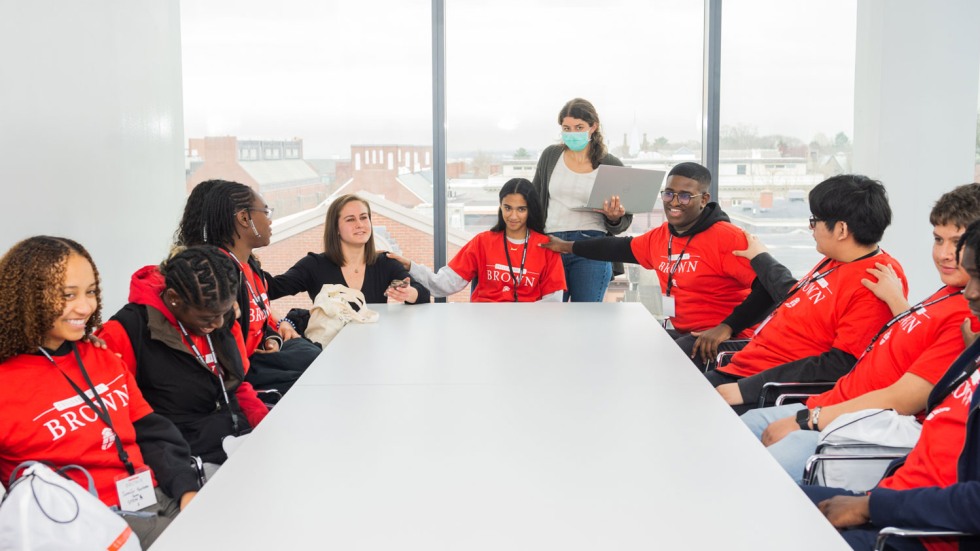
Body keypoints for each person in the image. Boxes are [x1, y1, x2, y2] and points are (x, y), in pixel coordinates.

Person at [740, 183, 980, 482]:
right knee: (739, 431)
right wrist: (897, 303)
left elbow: (905, 398)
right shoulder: (947, 293)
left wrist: (808, 419)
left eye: (958, 242)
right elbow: (917, 338)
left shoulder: (968, 313)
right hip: (832, 404)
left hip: (855, 425)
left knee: (750, 472)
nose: (944, 254)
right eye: (937, 239)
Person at [0, 236, 200, 548]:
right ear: (27, 298)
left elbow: (151, 432)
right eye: (68, 295)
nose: (86, 306)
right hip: (86, 528)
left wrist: (188, 491)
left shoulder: (101, 356)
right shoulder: (6, 384)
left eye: (91, 291)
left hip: (157, 498)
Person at [800, 218, 980, 551]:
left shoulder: (960, 321)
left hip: (917, 532)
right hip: (896, 496)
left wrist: (871, 507)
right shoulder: (964, 329)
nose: (970, 291)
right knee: (764, 495)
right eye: (937, 240)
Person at [707, 174, 909, 412]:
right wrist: (760, 258)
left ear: (841, 229)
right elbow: (796, 296)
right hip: (746, 366)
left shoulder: (874, 281)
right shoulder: (838, 259)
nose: (810, 228)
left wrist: (748, 388)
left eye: (815, 221)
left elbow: (841, 364)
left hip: (770, 388)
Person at [540, 161, 759, 366]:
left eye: (684, 196)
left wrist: (727, 327)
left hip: (726, 341)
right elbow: (618, 248)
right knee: (621, 343)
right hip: (686, 332)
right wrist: (567, 246)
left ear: (703, 199)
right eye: (669, 194)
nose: (674, 202)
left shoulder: (729, 238)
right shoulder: (662, 237)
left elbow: (770, 288)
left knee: (655, 358)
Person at [98, 246, 268, 480]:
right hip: (184, 462)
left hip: (237, 441)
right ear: (173, 299)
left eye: (224, 312)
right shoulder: (124, 333)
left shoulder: (217, 312)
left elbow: (236, 386)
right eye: (208, 317)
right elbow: (117, 423)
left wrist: (264, 422)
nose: (219, 323)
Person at [177, 179, 322, 395]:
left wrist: (270, 337)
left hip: (261, 356)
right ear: (245, 218)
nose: (270, 221)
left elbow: (259, 317)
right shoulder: (219, 275)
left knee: (314, 354)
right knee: (315, 371)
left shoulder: (250, 266)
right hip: (241, 372)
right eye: (266, 212)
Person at [388, 178, 566, 302]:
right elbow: (443, 285)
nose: (513, 216)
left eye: (521, 209)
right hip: (484, 324)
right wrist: (410, 266)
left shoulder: (547, 246)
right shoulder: (482, 242)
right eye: (507, 208)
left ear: (531, 210)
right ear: (500, 207)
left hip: (529, 326)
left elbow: (553, 302)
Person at [531, 97, 630, 302]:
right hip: (551, 244)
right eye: (566, 128)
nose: (572, 133)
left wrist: (614, 218)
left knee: (586, 319)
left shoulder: (611, 164)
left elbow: (621, 223)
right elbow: (534, 199)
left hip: (591, 247)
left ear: (593, 126)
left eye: (579, 127)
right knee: (548, 318)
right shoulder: (550, 156)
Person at [267, 193, 430, 308]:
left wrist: (409, 293)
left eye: (364, 217)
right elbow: (272, 289)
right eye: (350, 219)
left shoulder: (384, 263)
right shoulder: (314, 265)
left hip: (374, 346)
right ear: (336, 228)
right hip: (328, 349)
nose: (360, 224)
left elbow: (421, 293)